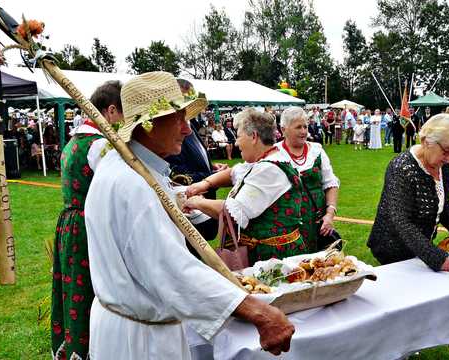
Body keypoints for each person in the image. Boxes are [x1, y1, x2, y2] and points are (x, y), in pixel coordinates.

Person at [85, 72, 294, 359]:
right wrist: (258, 311)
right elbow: (172, 271)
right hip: (140, 343)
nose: (187, 130)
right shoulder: (131, 184)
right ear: (147, 125)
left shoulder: (129, 169)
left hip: (134, 327)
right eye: (179, 119)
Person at [51, 80, 124, 360]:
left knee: (74, 289)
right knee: (89, 293)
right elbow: (115, 191)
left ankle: (75, 348)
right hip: (87, 226)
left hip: (70, 223)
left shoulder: (74, 141)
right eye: (124, 114)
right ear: (111, 111)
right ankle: (89, 350)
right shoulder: (100, 146)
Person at [185, 108, 312, 264]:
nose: (236, 142)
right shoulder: (262, 161)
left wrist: (197, 202)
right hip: (264, 255)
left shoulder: (269, 169)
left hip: (273, 259)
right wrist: (205, 183)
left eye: (238, 136)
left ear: (253, 136)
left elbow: (234, 212)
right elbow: (234, 172)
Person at [367, 114, 449, 271]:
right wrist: (438, 259)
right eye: (446, 151)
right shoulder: (401, 168)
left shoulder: (443, 166)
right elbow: (401, 221)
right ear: (426, 141)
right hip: (392, 250)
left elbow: (444, 205)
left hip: (419, 248)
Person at [274, 106, 340, 251]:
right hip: (288, 228)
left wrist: (329, 214)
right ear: (283, 129)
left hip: (319, 225)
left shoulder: (316, 150)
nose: (304, 131)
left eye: (305, 126)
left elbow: (331, 184)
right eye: (298, 127)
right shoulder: (274, 153)